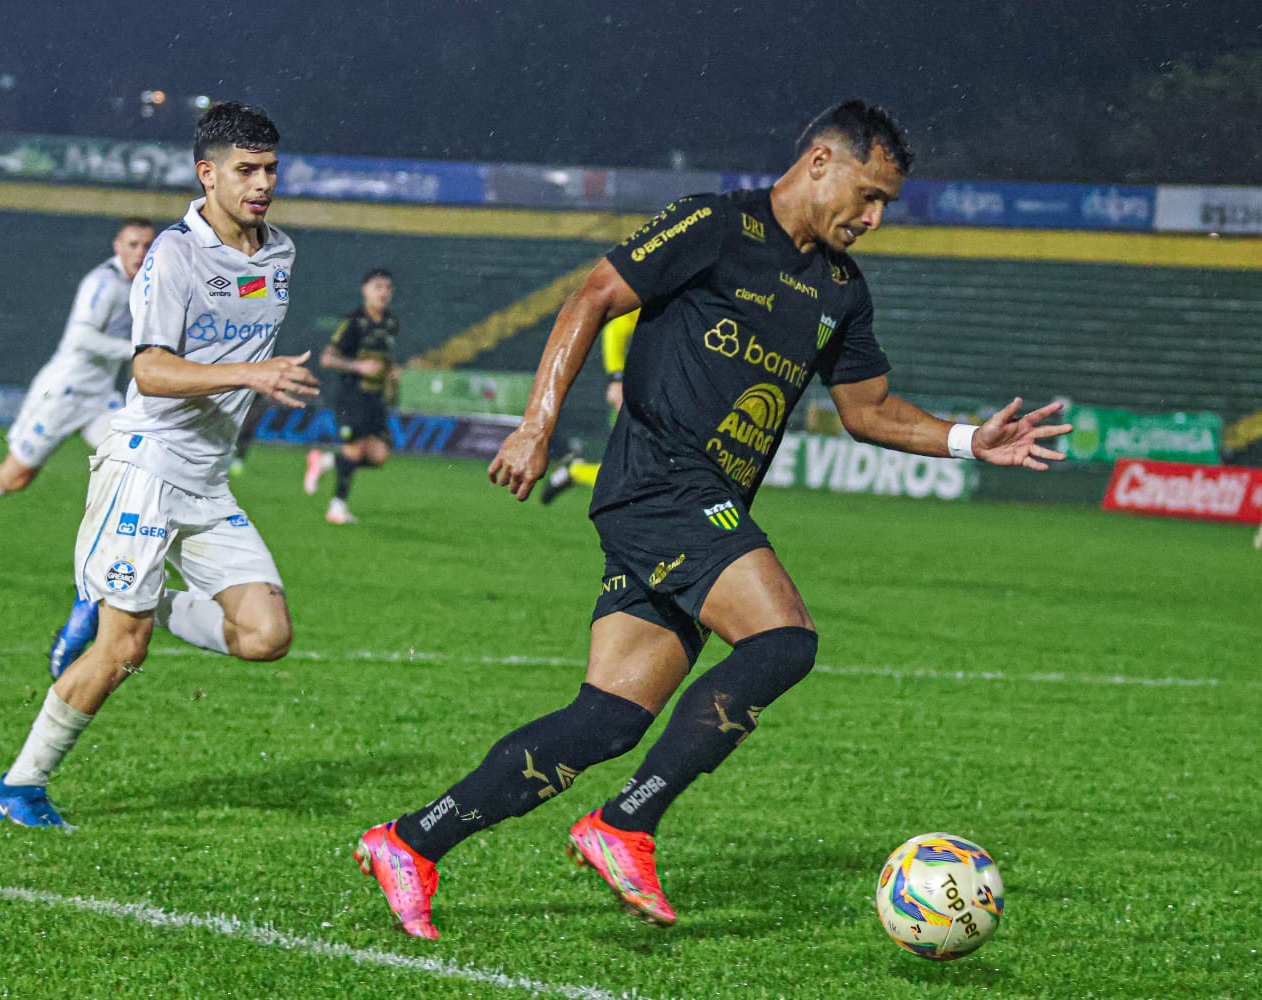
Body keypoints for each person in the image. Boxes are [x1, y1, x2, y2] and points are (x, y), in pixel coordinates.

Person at [353, 100, 1071, 940]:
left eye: (886, 205)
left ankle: (413, 841)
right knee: (784, 640)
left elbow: (869, 410)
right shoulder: (716, 226)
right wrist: (536, 424)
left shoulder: (841, 289)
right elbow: (594, 296)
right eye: (869, 195)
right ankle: (626, 823)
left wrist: (966, 439)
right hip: (660, 481)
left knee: (608, 719)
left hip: (701, 503)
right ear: (819, 163)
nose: (874, 218)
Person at [0, 101, 319, 827]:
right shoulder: (174, 255)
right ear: (207, 174)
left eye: (270, 169)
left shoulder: (279, 252)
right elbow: (151, 371)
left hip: (206, 478)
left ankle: (125, 597)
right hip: (146, 468)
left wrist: (254, 379)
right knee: (122, 649)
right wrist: (252, 375)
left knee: (266, 636)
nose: (263, 183)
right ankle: (20, 787)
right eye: (246, 170)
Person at [0, 218, 156, 562]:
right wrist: (138, 350)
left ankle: (123, 556)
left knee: (135, 460)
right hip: (63, 393)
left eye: (147, 245)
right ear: (117, 246)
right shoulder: (103, 283)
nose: (140, 252)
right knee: (15, 477)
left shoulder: (146, 284)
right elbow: (81, 337)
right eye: (133, 244)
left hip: (99, 398)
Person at [303, 268, 400, 524]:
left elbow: (383, 357)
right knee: (355, 449)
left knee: (378, 456)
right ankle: (337, 507)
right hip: (352, 397)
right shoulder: (355, 322)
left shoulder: (391, 322)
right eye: (378, 287)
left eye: (388, 288)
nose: (384, 292)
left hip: (376, 399)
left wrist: (391, 370)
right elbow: (327, 358)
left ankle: (325, 461)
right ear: (365, 290)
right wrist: (358, 366)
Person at [540, 309, 638, 504]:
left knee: (636, 474)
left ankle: (575, 471)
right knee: (632, 474)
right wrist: (616, 379)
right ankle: (576, 471)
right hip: (638, 397)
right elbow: (617, 328)